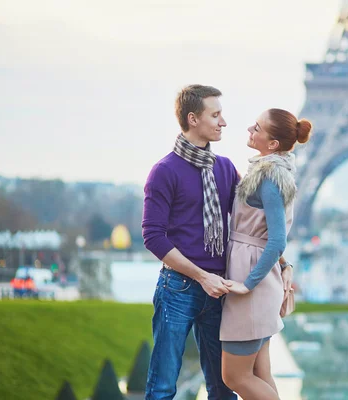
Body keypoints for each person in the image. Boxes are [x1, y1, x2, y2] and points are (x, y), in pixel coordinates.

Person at [142, 84, 238, 400]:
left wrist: (282, 262)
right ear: (193, 118)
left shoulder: (225, 168)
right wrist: (201, 276)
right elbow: (153, 236)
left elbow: (249, 225)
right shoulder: (164, 171)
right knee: (162, 387)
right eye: (216, 114)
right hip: (178, 288)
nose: (223, 121)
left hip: (220, 288)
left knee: (224, 388)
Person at [220, 108, 312, 399]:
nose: (250, 129)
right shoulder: (273, 171)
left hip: (253, 288)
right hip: (260, 282)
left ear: (272, 144)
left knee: (234, 376)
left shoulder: (269, 178)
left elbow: (277, 241)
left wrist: (247, 284)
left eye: (257, 127)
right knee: (260, 375)